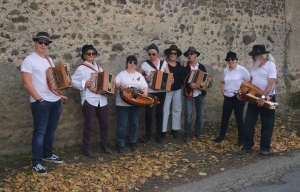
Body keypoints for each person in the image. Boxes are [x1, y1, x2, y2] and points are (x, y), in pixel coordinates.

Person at [21, 32, 67, 175]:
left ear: (48, 46)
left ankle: (47, 154)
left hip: (55, 100)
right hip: (41, 102)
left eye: (46, 43)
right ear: (35, 42)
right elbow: (26, 83)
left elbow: (54, 79)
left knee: (51, 131)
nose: (43, 45)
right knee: (40, 132)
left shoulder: (49, 59)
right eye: (40, 42)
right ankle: (36, 163)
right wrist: (39, 99)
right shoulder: (29, 60)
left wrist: (64, 69)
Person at [71, 45, 112, 158]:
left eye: (93, 53)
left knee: (104, 123)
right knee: (89, 124)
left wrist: (108, 89)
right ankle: (86, 148)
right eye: (89, 53)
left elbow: (104, 80)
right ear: (84, 55)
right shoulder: (81, 68)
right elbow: (72, 82)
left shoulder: (99, 67)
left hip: (102, 99)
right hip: (89, 99)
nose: (91, 55)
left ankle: (104, 145)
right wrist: (85, 83)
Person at [238, 44, 277, 155]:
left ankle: (265, 147)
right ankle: (247, 145)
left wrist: (263, 97)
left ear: (261, 56)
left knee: (267, 123)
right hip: (254, 97)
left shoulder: (270, 66)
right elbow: (250, 83)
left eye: (254, 56)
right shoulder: (253, 66)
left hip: (267, 97)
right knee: (249, 122)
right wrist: (243, 94)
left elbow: (270, 84)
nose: (252, 58)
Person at [137, 43, 173, 143]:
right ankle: (147, 134)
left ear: (157, 53)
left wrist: (170, 81)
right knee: (148, 113)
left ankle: (159, 135)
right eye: (150, 54)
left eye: (154, 54)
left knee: (160, 112)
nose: (152, 56)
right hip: (150, 91)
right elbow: (136, 76)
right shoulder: (145, 64)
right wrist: (145, 77)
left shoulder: (163, 64)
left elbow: (169, 75)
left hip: (161, 91)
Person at [212, 51, 250, 146]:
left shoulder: (242, 70)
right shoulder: (225, 71)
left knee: (239, 119)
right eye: (228, 60)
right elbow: (222, 82)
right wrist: (222, 90)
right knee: (225, 118)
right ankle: (221, 136)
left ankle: (241, 139)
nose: (230, 61)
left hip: (238, 97)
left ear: (236, 60)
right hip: (228, 97)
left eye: (232, 59)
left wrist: (243, 94)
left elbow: (249, 83)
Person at [115, 55, 148, 153]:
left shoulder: (139, 75)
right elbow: (116, 84)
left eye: (134, 62)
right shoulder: (121, 74)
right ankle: (120, 143)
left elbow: (144, 86)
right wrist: (120, 86)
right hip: (122, 103)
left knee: (134, 123)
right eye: (130, 62)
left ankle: (133, 141)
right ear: (127, 63)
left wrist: (145, 91)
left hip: (135, 102)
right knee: (122, 124)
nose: (132, 64)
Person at [182, 46, 213, 142]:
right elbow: (181, 80)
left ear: (195, 55)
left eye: (191, 54)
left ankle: (197, 132)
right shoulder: (184, 66)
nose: (189, 55)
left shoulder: (201, 67)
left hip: (199, 93)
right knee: (188, 115)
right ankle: (187, 133)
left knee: (200, 114)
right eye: (188, 54)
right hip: (189, 94)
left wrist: (209, 81)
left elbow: (206, 81)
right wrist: (189, 85)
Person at [162, 45, 184, 139]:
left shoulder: (179, 65)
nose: (172, 55)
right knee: (165, 110)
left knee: (177, 109)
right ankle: (163, 131)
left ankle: (175, 129)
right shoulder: (164, 64)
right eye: (171, 53)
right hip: (167, 90)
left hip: (177, 90)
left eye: (175, 53)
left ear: (177, 55)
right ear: (168, 54)